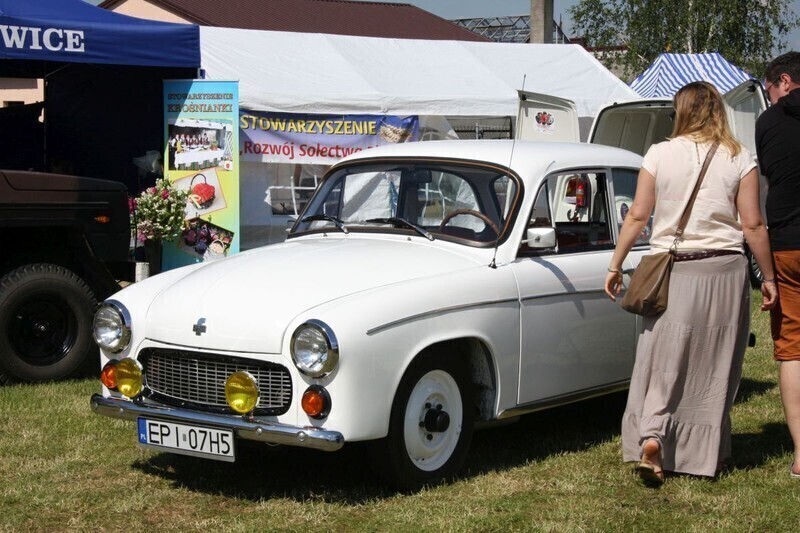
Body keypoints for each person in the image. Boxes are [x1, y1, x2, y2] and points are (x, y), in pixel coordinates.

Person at [605, 81, 778, 487]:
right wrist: (768, 277)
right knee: (714, 364)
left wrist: (616, 264)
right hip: (723, 270)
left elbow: (636, 216)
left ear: (680, 110)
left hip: (672, 270)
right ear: (719, 110)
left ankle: (653, 435)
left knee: (662, 357)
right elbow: (753, 225)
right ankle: (701, 452)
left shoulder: (659, 153)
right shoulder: (739, 156)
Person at [755, 51, 800, 479]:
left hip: (789, 243)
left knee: (793, 348)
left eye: (769, 89)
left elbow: (769, 173)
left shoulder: (768, 122)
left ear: (784, 82)